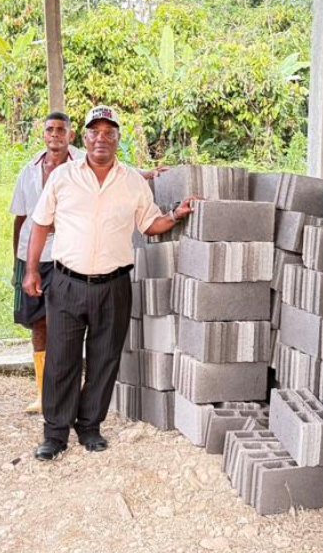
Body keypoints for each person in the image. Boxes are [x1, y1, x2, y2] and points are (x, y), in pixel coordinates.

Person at [22, 105, 196, 460]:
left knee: (104, 358)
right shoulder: (63, 177)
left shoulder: (132, 181)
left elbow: (149, 224)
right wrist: (32, 270)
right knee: (61, 359)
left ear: (117, 139)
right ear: (84, 137)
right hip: (67, 282)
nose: (101, 138)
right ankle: (55, 434)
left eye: (109, 133)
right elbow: (40, 224)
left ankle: (89, 426)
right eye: (95, 132)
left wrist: (175, 215)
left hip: (114, 285)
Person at [10, 112, 82, 414]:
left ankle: (63, 392)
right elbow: (20, 219)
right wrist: (19, 263)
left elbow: (118, 170)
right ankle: (43, 393)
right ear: (43, 134)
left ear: (71, 135)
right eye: (50, 129)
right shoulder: (29, 170)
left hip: (67, 255)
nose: (55, 134)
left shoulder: (83, 166)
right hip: (33, 257)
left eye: (61, 130)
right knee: (38, 323)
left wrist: (148, 173)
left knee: (62, 323)